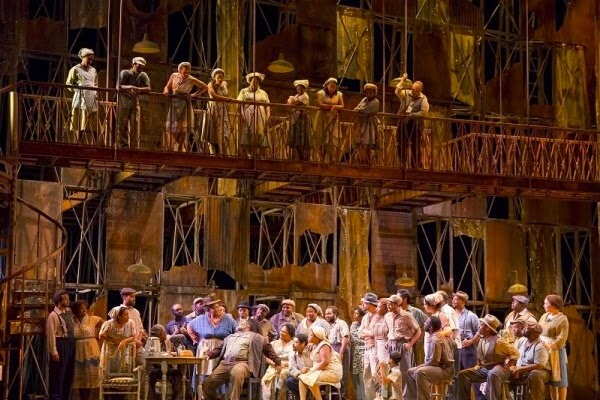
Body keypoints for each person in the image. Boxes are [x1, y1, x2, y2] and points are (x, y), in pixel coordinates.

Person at [203, 319, 282, 400]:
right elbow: (219, 349)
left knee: (236, 372)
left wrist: (277, 362)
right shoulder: (230, 337)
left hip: (243, 363)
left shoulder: (256, 337)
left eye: (242, 322)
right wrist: (209, 355)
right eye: (239, 322)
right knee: (207, 384)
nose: (239, 322)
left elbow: (269, 350)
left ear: (248, 326)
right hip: (225, 363)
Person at [456, 314, 520, 400]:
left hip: (498, 368)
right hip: (485, 369)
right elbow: (480, 355)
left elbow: (516, 354)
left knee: (492, 374)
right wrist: (478, 365)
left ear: (487, 328)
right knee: (463, 375)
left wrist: (507, 366)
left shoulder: (499, 341)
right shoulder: (482, 340)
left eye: (481, 324)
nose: (479, 326)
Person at [405, 316, 455, 400]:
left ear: (431, 327)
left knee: (420, 372)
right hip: (442, 368)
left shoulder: (436, 339)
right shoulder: (442, 334)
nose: (424, 323)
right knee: (410, 372)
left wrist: (420, 366)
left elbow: (434, 362)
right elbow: (455, 344)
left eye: (426, 322)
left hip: (445, 370)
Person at [186, 295, 237, 377]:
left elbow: (237, 330)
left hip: (222, 349)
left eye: (218, 307)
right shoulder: (201, 319)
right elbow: (189, 326)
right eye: (213, 308)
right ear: (208, 310)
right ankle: (203, 389)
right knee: (204, 374)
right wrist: (195, 339)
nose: (217, 309)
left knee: (220, 374)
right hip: (205, 349)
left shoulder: (228, 318)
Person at [163, 62, 208, 152]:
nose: (186, 74)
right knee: (173, 124)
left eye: (188, 72)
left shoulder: (191, 79)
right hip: (174, 101)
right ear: (180, 70)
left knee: (183, 126)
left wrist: (193, 95)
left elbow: (204, 87)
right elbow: (167, 87)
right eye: (184, 72)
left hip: (184, 102)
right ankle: (173, 146)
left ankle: (180, 147)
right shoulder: (174, 75)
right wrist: (167, 91)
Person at [385, 294, 421, 397]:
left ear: (397, 304)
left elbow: (418, 330)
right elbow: (390, 330)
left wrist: (410, 344)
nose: (388, 306)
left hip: (402, 344)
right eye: (387, 303)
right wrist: (388, 341)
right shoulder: (387, 316)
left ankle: (407, 397)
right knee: (391, 371)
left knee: (405, 372)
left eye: (390, 304)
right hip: (391, 345)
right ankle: (394, 396)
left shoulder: (406, 315)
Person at [297, 326, 343, 400]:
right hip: (322, 370)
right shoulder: (315, 345)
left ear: (317, 337)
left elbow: (325, 362)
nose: (308, 336)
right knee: (302, 378)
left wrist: (312, 370)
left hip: (331, 371)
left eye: (311, 335)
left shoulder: (324, 345)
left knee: (310, 378)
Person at [147, 324, 191, 400]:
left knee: (179, 375)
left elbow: (175, 345)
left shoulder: (167, 340)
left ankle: (178, 398)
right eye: (163, 333)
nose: (165, 335)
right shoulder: (152, 341)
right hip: (155, 367)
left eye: (164, 333)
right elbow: (149, 356)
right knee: (151, 376)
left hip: (168, 366)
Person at [394, 73, 429, 167]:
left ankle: (415, 165)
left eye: (416, 90)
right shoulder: (406, 93)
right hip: (403, 122)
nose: (413, 91)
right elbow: (397, 91)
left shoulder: (423, 98)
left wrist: (412, 115)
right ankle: (402, 163)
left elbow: (423, 112)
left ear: (420, 90)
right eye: (413, 89)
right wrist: (403, 79)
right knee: (401, 143)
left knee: (415, 145)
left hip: (415, 124)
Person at [46, 290, 76, 400]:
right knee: (58, 374)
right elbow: (51, 334)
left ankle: (65, 396)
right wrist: (53, 351)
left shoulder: (68, 312)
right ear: (59, 300)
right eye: (66, 299)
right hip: (60, 344)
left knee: (68, 372)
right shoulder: (53, 316)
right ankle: (55, 396)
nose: (68, 301)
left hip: (70, 344)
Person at [71, 300, 103, 400]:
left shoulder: (92, 319)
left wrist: (99, 336)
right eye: (81, 308)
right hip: (78, 350)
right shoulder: (72, 320)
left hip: (91, 349)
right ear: (76, 310)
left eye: (85, 307)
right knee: (80, 377)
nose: (84, 309)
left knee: (90, 376)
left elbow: (106, 326)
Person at [538, 294, 569, 400]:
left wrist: (551, 345)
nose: (544, 305)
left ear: (553, 305)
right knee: (551, 380)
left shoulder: (562, 319)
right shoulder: (544, 316)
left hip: (556, 352)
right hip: (544, 350)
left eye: (546, 303)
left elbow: (562, 337)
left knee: (560, 380)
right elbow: (538, 329)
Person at [116, 57, 151, 148]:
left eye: (142, 67)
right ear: (133, 64)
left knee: (135, 124)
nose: (140, 68)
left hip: (135, 101)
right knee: (122, 123)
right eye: (139, 66)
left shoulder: (143, 75)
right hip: (124, 101)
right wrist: (130, 87)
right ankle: (123, 145)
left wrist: (137, 89)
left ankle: (134, 146)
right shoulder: (125, 73)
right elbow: (118, 86)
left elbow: (148, 88)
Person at [510, 322, 550, 400]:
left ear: (534, 334)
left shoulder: (540, 346)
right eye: (524, 328)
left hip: (540, 371)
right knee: (501, 372)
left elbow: (539, 365)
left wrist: (519, 369)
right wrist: (512, 366)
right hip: (521, 369)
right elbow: (514, 355)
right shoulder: (522, 341)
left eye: (527, 328)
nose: (524, 329)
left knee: (535, 374)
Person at [66, 48, 98, 144]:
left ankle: (92, 145)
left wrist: (95, 93)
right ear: (83, 57)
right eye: (89, 59)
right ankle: (78, 143)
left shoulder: (93, 70)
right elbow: (68, 83)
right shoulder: (75, 69)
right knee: (80, 122)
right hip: (81, 98)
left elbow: (95, 84)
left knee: (91, 124)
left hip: (91, 98)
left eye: (92, 59)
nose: (90, 61)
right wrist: (76, 89)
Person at [99, 306, 142, 372]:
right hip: (111, 349)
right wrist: (113, 340)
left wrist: (124, 341)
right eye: (125, 315)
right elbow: (101, 335)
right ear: (119, 316)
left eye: (128, 314)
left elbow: (133, 337)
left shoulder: (130, 323)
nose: (128, 317)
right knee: (111, 368)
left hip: (125, 349)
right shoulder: (110, 324)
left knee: (124, 367)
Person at [237, 72, 270, 158]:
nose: (254, 84)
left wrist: (267, 116)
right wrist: (242, 114)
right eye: (253, 82)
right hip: (248, 113)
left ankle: (260, 153)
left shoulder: (263, 93)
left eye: (256, 82)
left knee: (260, 131)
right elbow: (240, 104)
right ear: (250, 82)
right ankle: (249, 153)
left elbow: (267, 106)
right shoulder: (244, 91)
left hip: (260, 114)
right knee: (248, 131)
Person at [313, 77, 344, 162]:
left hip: (333, 117)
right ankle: (321, 158)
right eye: (331, 86)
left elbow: (342, 105)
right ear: (327, 86)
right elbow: (320, 103)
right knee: (322, 137)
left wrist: (336, 107)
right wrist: (331, 107)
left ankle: (332, 158)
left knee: (331, 138)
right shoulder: (321, 93)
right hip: (323, 117)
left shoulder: (339, 94)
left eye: (334, 87)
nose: (332, 89)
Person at [261, 323, 296, 400]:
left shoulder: (294, 344)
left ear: (290, 334)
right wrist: (274, 363)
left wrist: (286, 364)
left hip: (288, 367)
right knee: (267, 381)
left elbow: (297, 358)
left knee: (282, 376)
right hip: (273, 366)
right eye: (281, 331)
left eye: (284, 332)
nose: (281, 333)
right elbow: (264, 357)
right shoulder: (274, 343)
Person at [203, 68, 231, 154]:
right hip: (213, 108)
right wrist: (225, 99)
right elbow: (213, 95)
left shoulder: (225, 84)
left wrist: (226, 100)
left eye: (221, 77)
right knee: (212, 130)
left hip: (222, 109)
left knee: (223, 131)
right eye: (218, 77)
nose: (220, 79)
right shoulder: (211, 84)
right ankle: (213, 153)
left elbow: (226, 93)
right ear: (214, 77)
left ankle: (224, 153)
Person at [357, 292, 380, 399]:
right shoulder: (366, 317)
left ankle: (379, 397)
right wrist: (368, 333)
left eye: (365, 303)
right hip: (367, 348)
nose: (363, 305)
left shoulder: (380, 315)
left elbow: (375, 333)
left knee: (377, 373)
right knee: (366, 374)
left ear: (371, 304)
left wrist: (368, 333)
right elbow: (359, 334)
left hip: (376, 348)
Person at [324, 306, 350, 398]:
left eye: (329, 313)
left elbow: (345, 337)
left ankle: (342, 396)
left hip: (340, 347)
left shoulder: (341, 323)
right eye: (326, 313)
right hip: (331, 349)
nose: (327, 315)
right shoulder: (327, 325)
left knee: (342, 373)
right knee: (333, 371)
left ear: (335, 314)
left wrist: (341, 352)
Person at [398, 288, 427, 365]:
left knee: (417, 364)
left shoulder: (416, 312)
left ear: (405, 299)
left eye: (399, 298)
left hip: (416, 343)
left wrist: (420, 339)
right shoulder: (396, 312)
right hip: (401, 343)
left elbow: (426, 326)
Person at [353, 83, 380, 164]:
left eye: (370, 93)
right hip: (362, 122)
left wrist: (359, 110)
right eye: (367, 92)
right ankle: (361, 160)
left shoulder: (376, 101)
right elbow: (358, 107)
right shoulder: (364, 99)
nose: (368, 95)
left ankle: (367, 161)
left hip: (370, 124)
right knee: (360, 142)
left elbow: (366, 110)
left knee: (368, 142)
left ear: (374, 93)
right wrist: (359, 110)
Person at [453, 291, 480, 369]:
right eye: (453, 299)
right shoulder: (451, 315)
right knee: (455, 374)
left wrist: (471, 341)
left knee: (468, 373)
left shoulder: (471, 316)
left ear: (462, 301)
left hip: (467, 349)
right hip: (454, 348)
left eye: (456, 299)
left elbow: (479, 332)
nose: (453, 301)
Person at [287, 79, 312, 161]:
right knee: (296, 138)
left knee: (302, 137)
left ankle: (304, 157)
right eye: (298, 88)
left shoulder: (305, 96)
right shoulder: (296, 96)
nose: (299, 90)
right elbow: (289, 104)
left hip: (302, 119)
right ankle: (299, 156)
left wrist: (291, 102)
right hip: (296, 119)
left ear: (304, 89)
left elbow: (296, 104)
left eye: (301, 88)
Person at [286, 333, 313, 399]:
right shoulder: (292, 354)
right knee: (289, 381)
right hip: (300, 377)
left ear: (303, 344)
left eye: (296, 342)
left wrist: (308, 370)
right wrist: (300, 373)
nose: (293, 345)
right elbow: (292, 368)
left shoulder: (311, 351)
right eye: (294, 342)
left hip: (312, 377)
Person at [349, 307, 366, 400]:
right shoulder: (353, 324)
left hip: (364, 352)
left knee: (363, 377)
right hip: (354, 352)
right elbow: (353, 338)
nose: (354, 316)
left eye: (357, 314)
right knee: (355, 377)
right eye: (354, 313)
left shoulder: (367, 324)